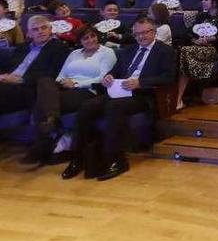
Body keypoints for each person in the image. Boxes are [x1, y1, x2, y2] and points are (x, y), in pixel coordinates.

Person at [63, 17, 176, 181]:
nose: (141, 37)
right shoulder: (129, 50)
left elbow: (168, 78)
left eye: (145, 33)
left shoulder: (165, 51)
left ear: (154, 32)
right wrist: (109, 77)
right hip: (119, 91)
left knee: (114, 107)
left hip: (143, 94)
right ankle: (78, 158)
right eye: (137, 34)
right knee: (87, 107)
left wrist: (140, 83)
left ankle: (116, 160)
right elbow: (115, 71)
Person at [26, 26, 117, 165]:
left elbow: (103, 78)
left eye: (93, 36)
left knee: (41, 102)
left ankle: (42, 144)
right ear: (80, 41)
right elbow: (61, 75)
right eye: (85, 38)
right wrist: (62, 83)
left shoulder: (107, 52)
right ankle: (52, 121)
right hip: (65, 87)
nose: (90, 40)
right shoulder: (74, 53)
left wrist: (75, 84)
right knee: (44, 81)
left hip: (88, 90)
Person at [0, 16, 69, 120]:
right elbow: (9, 66)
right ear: (29, 33)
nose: (40, 31)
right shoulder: (22, 47)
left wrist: (21, 80)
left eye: (44, 28)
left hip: (28, 86)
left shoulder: (58, 47)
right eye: (35, 29)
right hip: (8, 81)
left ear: (50, 30)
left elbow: (53, 73)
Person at [175, 0, 218, 110]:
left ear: (214, 3)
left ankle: (178, 98)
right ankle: (179, 98)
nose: (202, 2)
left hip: (214, 49)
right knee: (183, 52)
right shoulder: (202, 16)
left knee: (184, 52)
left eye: (206, 0)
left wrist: (214, 38)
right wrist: (195, 40)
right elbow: (188, 33)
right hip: (197, 48)